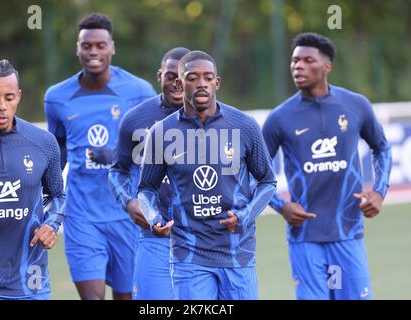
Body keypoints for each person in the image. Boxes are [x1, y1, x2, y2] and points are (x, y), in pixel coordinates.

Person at [262, 32, 392, 300]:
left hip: (347, 231)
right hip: (304, 237)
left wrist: (379, 191)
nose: (298, 66)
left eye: (308, 60)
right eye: (295, 61)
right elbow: (254, 172)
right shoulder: (279, 118)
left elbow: (382, 147)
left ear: (326, 67)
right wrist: (281, 205)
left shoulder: (356, 105)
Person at [137, 50, 277, 300]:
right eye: (192, 78)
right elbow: (146, 189)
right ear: (179, 84)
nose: (201, 84)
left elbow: (267, 181)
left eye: (207, 77)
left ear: (217, 83)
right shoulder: (161, 133)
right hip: (188, 255)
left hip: (237, 253)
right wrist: (153, 217)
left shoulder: (244, 126)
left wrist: (246, 216)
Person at [44, 13, 156, 300]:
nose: (93, 52)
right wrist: (46, 196)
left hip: (128, 214)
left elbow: (154, 151)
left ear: (112, 47)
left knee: (126, 296)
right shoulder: (56, 97)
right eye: (86, 45)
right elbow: (60, 152)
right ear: (77, 48)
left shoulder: (140, 92)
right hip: (82, 214)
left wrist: (118, 155)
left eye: (100, 45)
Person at [0, 60, 65, 300]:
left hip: (32, 284)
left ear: (18, 96)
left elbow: (57, 194)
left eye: (9, 98)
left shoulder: (44, 142)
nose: (2, 106)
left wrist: (52, 224)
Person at [109, 47, 190, 300]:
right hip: (155, 234)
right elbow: (117, 170)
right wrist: (129, 202)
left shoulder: (213, 120)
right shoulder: (135, 120)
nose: (176, 84)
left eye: (183, 77)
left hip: (203, 238)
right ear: (159, 76)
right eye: (170, 76)